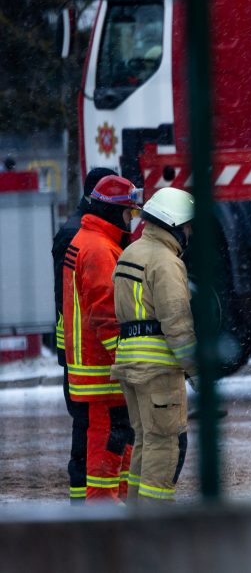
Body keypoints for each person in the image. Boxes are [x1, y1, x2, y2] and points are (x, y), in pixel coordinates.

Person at [112, 187, 196, 504]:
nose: (188, 233)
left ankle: (136, 514)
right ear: (174, 223)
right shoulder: (166, 262)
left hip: (130, 366)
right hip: (158, 368)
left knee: (145, 440)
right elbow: (177, 323)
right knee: (165, 442)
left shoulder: (129, 253)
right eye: (187, 226)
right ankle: (156, 519)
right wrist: (196, 369)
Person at [62, 175, 140, 502]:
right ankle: (103, 514)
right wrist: (129, 363)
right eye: (128, 214)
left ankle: (113, 507)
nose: (131, 222)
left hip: (94, 371)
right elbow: (107, 316)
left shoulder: (91, 240)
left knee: (115, 443)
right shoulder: (98, 249)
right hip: (101, 375)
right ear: (112, 211)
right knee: (106, 449)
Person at [52, 166, 116, 503]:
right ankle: (84, 502)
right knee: (90, 430)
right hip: (84, 353)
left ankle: (85, 500)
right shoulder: (83, 237)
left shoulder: (77, 231)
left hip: (79, 349)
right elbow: (78, 302)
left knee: (92, 430)